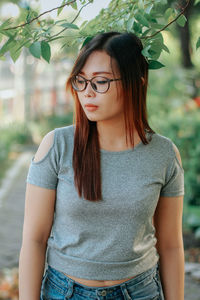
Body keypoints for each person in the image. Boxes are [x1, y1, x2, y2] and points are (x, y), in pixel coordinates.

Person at [19, 31, 185, 300]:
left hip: (140, 292)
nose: (87, 93)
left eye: (101, 82)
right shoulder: (57, 146)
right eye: (81, 81)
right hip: (66, 292)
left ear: (137, 82)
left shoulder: (164, 154)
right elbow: (34, 240)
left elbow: (170, 245)